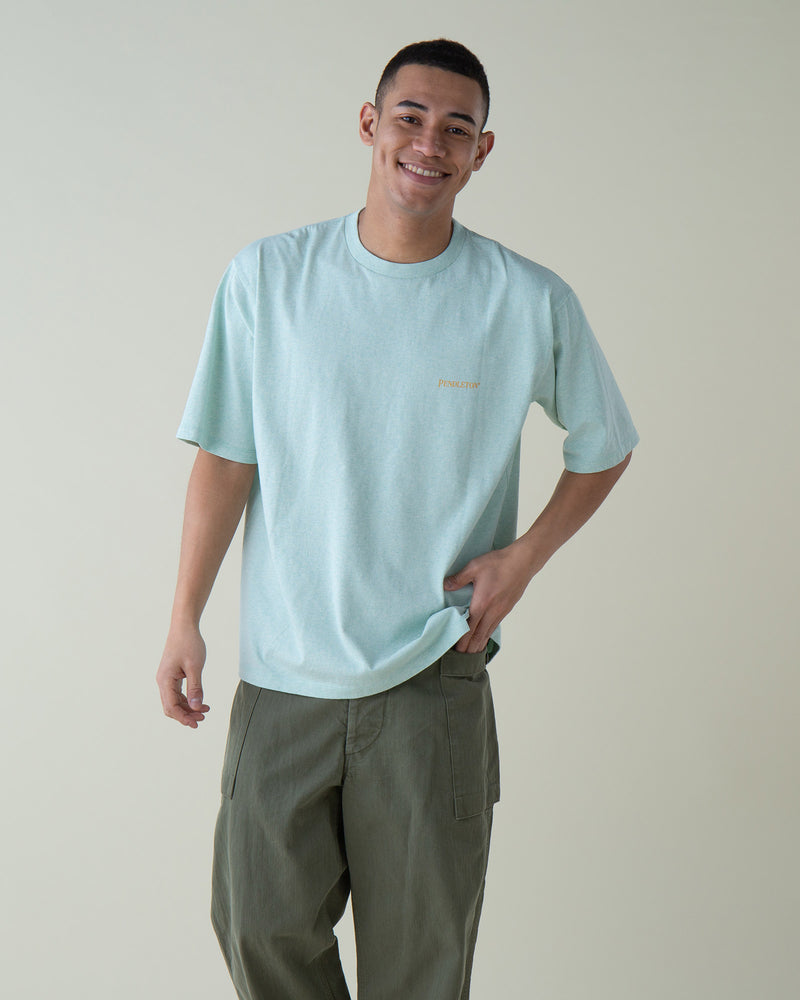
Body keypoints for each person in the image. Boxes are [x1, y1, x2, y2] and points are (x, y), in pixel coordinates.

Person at [156, 38, 639, 1000]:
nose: (430, 143)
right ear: (370, 125)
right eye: (410, 118)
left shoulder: (525, 299)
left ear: (481, 151)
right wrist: (184, 619)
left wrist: (524, 559)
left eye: (457, 129)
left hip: (432, 679)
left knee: (421, 968)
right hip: (286, 676)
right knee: (257, 932)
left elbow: (606, 442)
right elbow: (227, 459)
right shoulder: (269, 278)